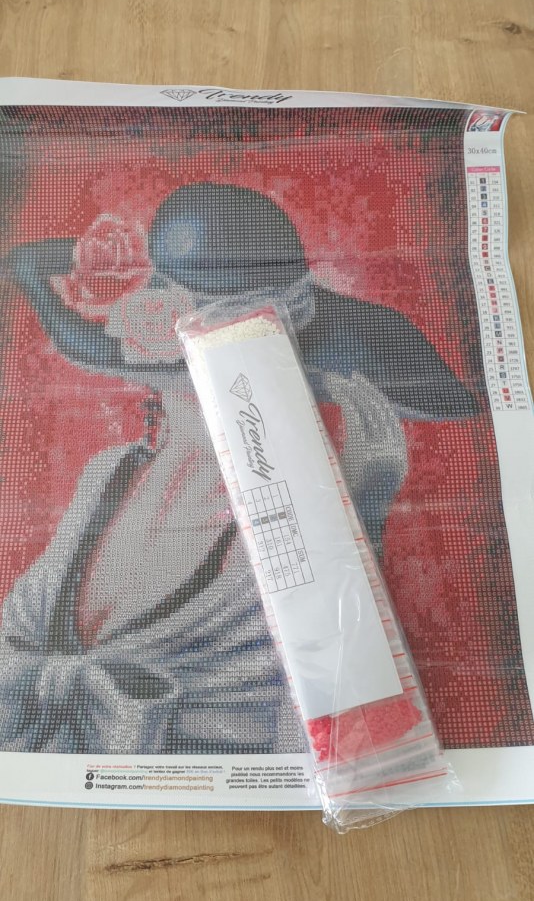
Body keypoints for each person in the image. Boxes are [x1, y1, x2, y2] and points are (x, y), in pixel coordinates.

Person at [0, 183, 478, 754]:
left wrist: (360, 519)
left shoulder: (300, 515)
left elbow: (349, 741)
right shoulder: (108, 475)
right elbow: (14, 648)